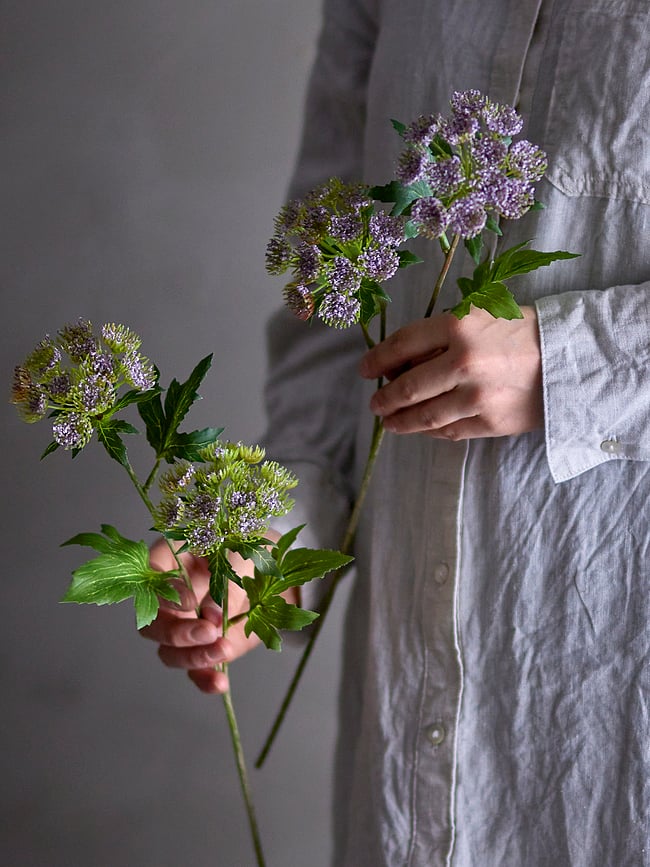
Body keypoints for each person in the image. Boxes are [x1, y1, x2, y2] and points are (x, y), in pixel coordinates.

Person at [141, 0, 650, 863]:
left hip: (608, 727)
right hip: (405, 742)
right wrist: (270, 538)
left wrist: (573, 363)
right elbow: (330, 286)